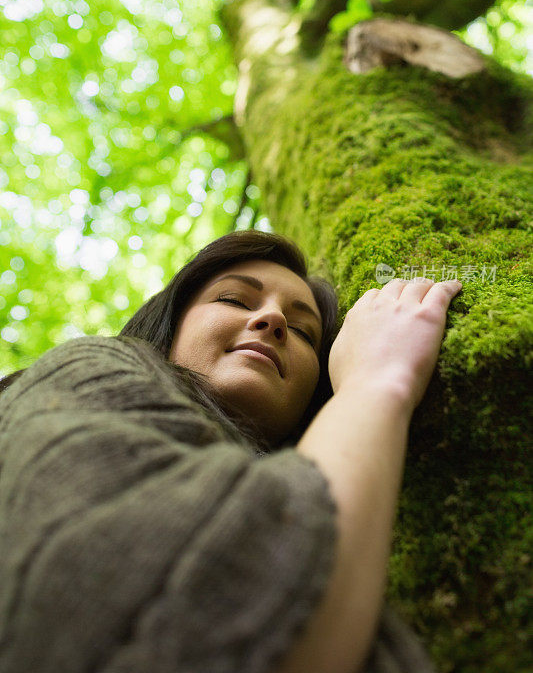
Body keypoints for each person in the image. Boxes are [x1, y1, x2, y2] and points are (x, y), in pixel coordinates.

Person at [0, 229, 462, 673]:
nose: (275, 321)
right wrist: (377, 384)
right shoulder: (87, 370)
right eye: (234, 299)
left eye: (304, 333)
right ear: (168, 325)